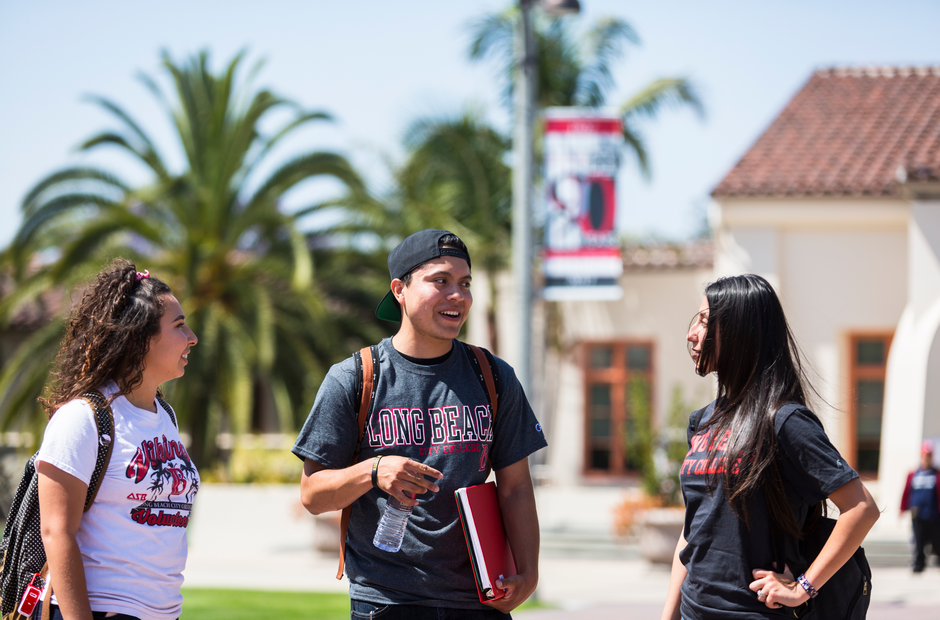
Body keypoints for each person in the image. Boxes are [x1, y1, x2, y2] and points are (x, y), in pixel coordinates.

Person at [293, 229, 547, 619]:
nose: (457, 296)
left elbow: (515, 487)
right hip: (387, 601)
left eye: (464, 283)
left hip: (480, 601)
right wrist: (373, 470)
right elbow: (312, 494)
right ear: (400, 289)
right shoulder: (355, 377)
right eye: (440, 281)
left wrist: (528, 573)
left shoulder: (494, 376)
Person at [661, 274, 880, 620]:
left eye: (704, 322)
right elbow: (693, 532)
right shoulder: (700, 423)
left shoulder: (786, 421)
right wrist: (669, 615)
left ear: (737, 331)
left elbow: (862, 508)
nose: (692, 334)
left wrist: (803, 587)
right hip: (694, 612)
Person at [36, 259, 199, 620]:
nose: (192, 338)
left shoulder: (164, 417)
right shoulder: (82, 418)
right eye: (179, 326)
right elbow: (57, 532)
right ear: (139, 339)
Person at [900, 440, 940, 572]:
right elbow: (906, 491)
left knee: (936, 538)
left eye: (929, 455)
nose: (926, 458)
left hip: (933, 513)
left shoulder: (936, 474)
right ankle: (919, 563)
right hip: (917, 513)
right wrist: (902, 508)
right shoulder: (913, 474)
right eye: (924, 455)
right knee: (918, 539)